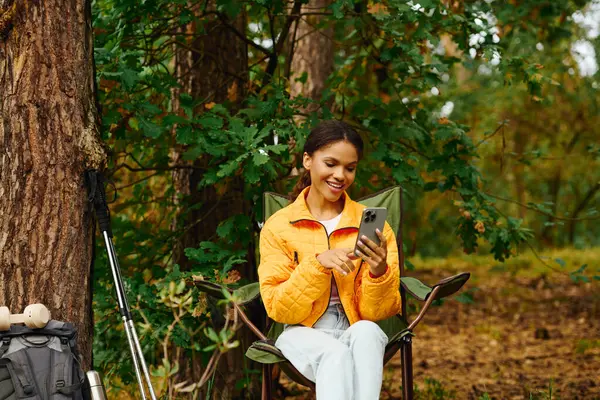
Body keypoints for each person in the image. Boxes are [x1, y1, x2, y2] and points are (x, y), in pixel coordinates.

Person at [258, 120, 401, 400]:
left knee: (369, 332)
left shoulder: (372, 225)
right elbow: (279, 308)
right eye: (331, 163)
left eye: (350, 168)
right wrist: (318, 264)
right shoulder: (280, 225)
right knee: (334, 353)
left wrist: (378, 271)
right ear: (308, 160)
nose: (340, 175)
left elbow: (376, 314)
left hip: (355, 328)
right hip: (301, 333)